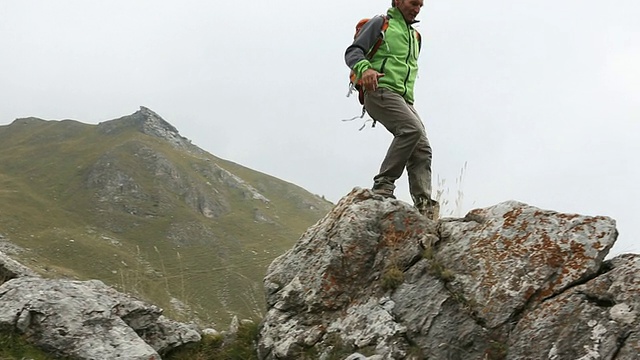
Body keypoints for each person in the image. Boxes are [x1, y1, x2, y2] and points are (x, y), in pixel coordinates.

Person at [344, 0, 439, 219]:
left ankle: (424, 208)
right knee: (411, 130)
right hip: (378, 90)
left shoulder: (416, 37)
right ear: (397, 1)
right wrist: (364, 69)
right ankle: (384, 184)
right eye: (413, 3)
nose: (416, 9)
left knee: (422, 148)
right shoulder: (381, 23)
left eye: (420, 6)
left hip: (404, 99)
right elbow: (353, 52)